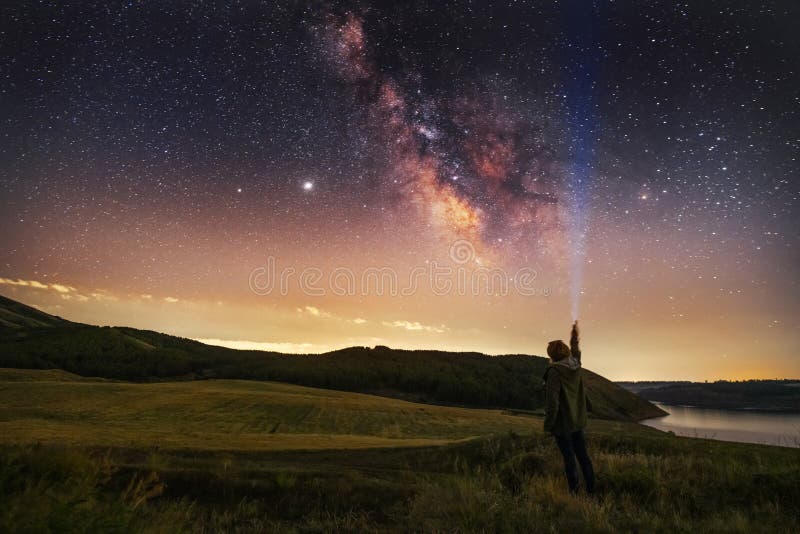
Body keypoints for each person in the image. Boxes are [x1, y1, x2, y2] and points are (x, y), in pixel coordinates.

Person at [543, 321, 596, 495]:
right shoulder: (575, 364)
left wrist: (548, 426)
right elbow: (576, 350)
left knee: (569, 460)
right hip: (578, 421)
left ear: (552, 355)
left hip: (563, 424)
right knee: (584, 458)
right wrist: (574, 335)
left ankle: (574, 494)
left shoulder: (554, 372)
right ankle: (592, 493)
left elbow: (552, 403)